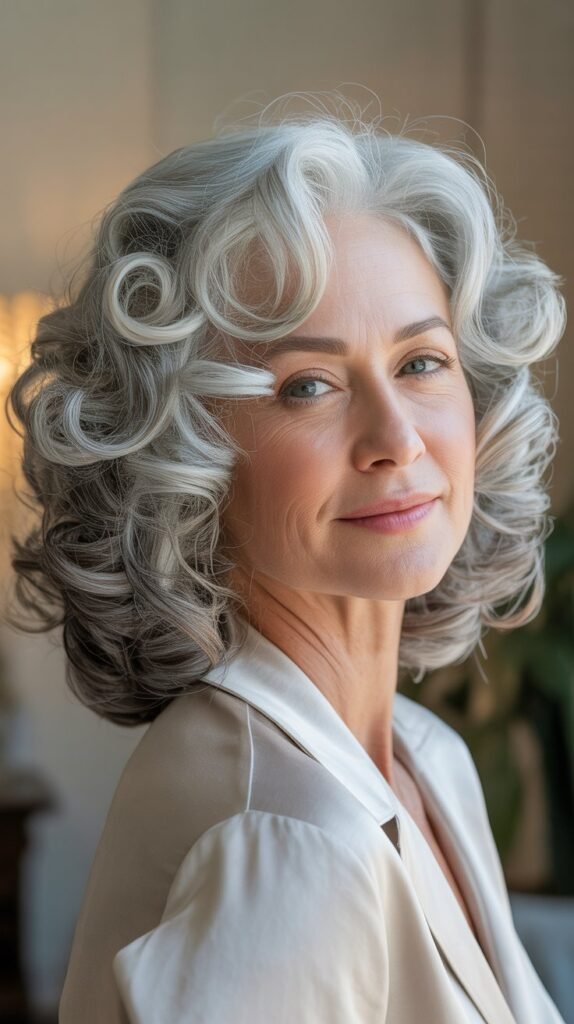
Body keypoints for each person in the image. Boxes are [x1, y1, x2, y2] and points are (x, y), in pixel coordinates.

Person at [6, 95, 567, 1023]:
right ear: (185, 453)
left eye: (421, 362)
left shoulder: (425, 759)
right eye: (308, 385)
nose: (398, 438)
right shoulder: (288, 847)